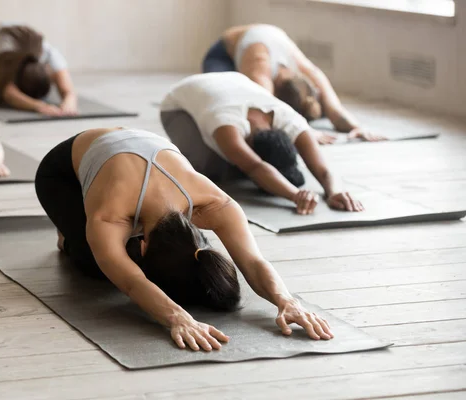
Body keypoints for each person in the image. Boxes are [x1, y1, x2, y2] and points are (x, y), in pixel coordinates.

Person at [35, 127, 334, 351]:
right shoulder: (110, 217)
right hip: (62, 175)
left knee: (120, 253)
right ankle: (67, 233)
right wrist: (178, 316)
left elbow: (253, 260)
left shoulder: (214, 202)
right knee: (97, 264)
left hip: (131, 156)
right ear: (143, 245)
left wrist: (286, 300)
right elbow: (131, 282)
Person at [160, 72, 364, 215]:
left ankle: (252, 168)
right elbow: (256, 167)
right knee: (212, 169)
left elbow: (323, 169)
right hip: (177, 105)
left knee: (241, 165)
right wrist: (295, 196)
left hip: (231, 82)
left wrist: (334, 190)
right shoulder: (226, 125)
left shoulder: (290, 120)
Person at [203, 24, 385, 144]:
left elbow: (335, 110)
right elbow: (264, 108)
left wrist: (357, 127)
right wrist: (305, 132)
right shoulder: (260, 68)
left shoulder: (310, 72)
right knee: (225, 97)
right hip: (223, 54)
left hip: (261, 37)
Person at [0, 23, 77, 116]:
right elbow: (8, 93)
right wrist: (38, 106)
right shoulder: (5, 56)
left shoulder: (50, 55)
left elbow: (68, 89)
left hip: (19, 40)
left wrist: (69, 102)